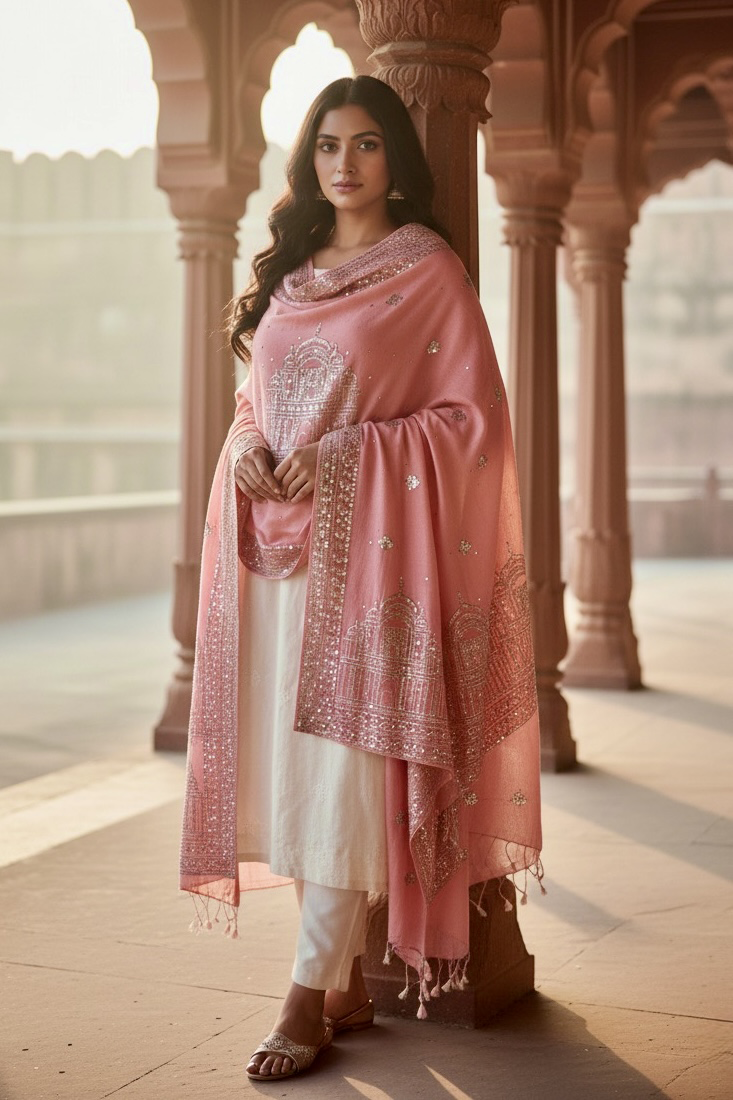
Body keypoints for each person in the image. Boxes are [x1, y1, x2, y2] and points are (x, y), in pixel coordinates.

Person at [179, 75, 542, 1083]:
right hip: (275, 560)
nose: (345, 164)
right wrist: (245, 445)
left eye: (368, 143)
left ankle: (303, 996)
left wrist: (345, 459)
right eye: (329, 145)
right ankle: (335, 976)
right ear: (310, 160)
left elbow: (473, 425)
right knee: (293, 772)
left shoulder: (426, 272)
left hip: (373, 559)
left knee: (341, 776)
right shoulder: (292, 275)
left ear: (396, 160)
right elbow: (258, 399)